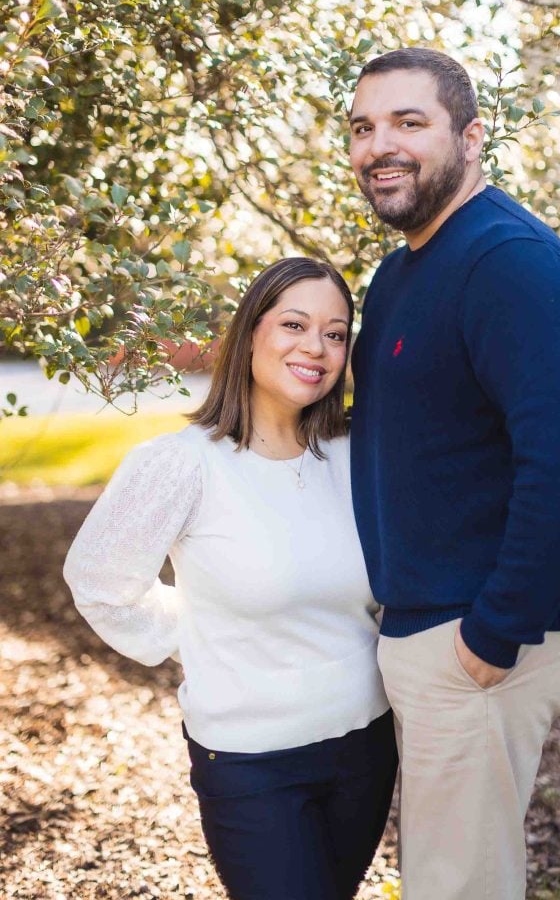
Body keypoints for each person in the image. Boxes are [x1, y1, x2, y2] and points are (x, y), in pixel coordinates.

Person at [347, 47, 560, 900]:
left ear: (470, 136)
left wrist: (493, 634)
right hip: (429, 622)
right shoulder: (401, 271)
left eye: (407, 122)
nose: (379, 145)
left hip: (478, 635)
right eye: (362, 127)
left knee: (457, 884)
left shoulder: (505, 259)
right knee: (447, 868)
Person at [64, 257, 397, 900]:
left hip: (366, 746)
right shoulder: (182, 464)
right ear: (249, 334)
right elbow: (101, 582)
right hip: (251, 763)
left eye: (335, 333)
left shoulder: (359, 455)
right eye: (294, 324)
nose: (316, 347)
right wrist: (191, 635)